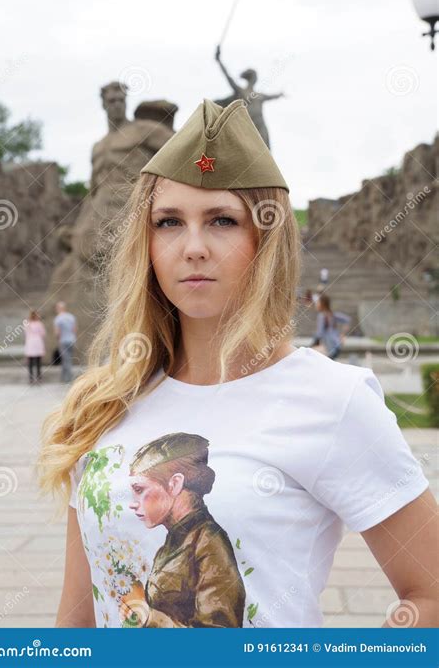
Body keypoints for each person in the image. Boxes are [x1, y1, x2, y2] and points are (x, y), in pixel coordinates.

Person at [38, 98, 437, 629]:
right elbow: (75, 622)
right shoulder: (103, 401)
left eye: (223, 220)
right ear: (146, 243)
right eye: (169, 222)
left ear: (264, 239)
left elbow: (430, 594)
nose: (194, 247)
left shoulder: (332, 399)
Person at [119, 432, 245, 628]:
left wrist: (147, 616)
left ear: (175, 483)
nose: (133, 504)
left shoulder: (208, 541)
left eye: (139, 490)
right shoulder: (171, 545)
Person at [311, 294, 351, 360]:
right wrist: (342, 334)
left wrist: (312, 346)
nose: (316, 304)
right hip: (337, 345)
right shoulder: (332, 314)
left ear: (322, 304)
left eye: (318, 302)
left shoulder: (321, 316)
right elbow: (347, 319)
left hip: (328, 347)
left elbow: (319, 333)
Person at [53, 302, 77, 383]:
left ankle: (68, 378)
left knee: (66, 360)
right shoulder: (71, 317)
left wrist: (58, 339)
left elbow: (57, 332)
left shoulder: (58, 318)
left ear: (58, 308)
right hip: (71, 340)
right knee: (68, 358)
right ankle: (63, 378)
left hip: (63, 341)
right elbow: (74, 329)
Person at [23, 310, 46, 384]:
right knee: (38, 361)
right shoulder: (39, 324)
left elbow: (26, 334)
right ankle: (39, 378)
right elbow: (43, 334)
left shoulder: (27, 324)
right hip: (37, 342)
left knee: (30, 362)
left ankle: (31, 378)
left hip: (30, 343)